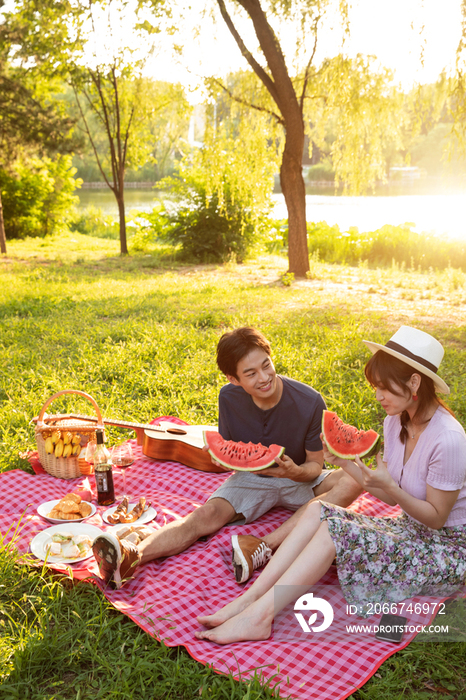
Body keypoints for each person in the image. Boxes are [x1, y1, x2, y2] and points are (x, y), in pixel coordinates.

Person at [195, 325, 466, 644]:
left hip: (446, 552)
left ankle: (260, 617)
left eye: (384, 388)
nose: (377, 396)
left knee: (331, 530)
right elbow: (391, 501)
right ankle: (248, 599)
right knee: (319, 511)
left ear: (415, 382)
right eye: (375, 386)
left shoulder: (448, 440)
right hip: (409, 531)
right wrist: (344, 462)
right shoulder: (395, 421)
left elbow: (435, 518)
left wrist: (391, 487)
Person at [92, 327, 361, 589]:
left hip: (300, 479)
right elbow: (230, 450)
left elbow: (315, 466)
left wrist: (294, 472)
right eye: (251, 373)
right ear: (234, 379)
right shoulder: (228, 397)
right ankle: (131, 557)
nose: (264, 377)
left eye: (266, 365)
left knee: (353, 477)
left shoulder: (310, 401)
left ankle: (262, 545)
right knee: (203, 517)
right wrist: (223, 460)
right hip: (252, 478)